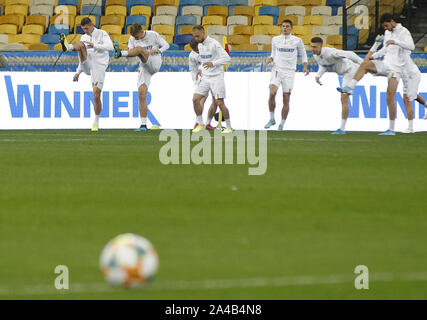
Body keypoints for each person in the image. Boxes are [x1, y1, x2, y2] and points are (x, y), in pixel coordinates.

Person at [338, 14, 415, 135]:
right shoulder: (388, 33)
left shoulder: (404, 32)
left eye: (386, 25)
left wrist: (396, 41)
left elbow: (412, 46)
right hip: (385, 64)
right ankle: (350, 88)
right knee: (365, 64)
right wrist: (373, 56)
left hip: (396, 69)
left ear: (392, 21)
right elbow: (385, 49)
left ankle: (391, 129)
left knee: (389, 98)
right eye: (384, 26)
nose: (385, 28)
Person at [60, 17, 113, 132]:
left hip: (98, 66)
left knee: (96, 95)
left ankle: (96, 121)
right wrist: (78, 72)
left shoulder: (102, 33)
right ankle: (67, 47)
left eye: (87, 28)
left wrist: (95, 45)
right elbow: (81, 57)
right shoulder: (84, 37)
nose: (86, 31)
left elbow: (110, 47)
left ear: (92, 25)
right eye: (84, 29)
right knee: (81, 45)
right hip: (87, 64)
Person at [113, 23, 169, 131]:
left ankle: (120, 53)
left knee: (139, 49)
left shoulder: (152, 34)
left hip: (155, 61)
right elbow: (131, 53)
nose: (135, 38)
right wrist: (128, 53)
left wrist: (159, 50)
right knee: (141, 93)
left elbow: (166, 45)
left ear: (142, 31)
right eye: (134, 37)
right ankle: (143, 125)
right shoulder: (132, 39)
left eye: (137, 36)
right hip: (144, 66)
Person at [310, 37, 364, 134]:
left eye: (315, 47)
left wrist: (362, 63)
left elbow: (349, 54)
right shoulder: (316, 56)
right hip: (345, 75)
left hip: (351, 71)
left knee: (343, 98)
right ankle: (342, 128)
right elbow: (324, 65)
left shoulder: (331, 52)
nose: (312, 49)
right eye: (311, 46)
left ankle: (342, 129)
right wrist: (318, 75)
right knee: (343, 99)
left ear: (321, 46)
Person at [264, 19, 309, 131]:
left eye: (287, 26)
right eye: (283, 26)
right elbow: (273, 53)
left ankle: (282, 124)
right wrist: (270, 59)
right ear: (281, 27)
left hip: (289, 72)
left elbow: (303, 53)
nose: (285, 28)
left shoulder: (297, 40)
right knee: (272, 93)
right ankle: (272, 118)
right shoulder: (275, 39)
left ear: (291, 28)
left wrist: (305, 66)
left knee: (286, 98)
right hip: (277, 70)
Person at [191, 25, 232, 133]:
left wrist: (212, 63)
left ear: (203, 32)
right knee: (195, 99)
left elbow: (227, 58)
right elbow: (204, 60)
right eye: (194, 37)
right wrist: (200, 68)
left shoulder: (214, 44)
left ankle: (229, 126)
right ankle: (200, 124)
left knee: (220, 103)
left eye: (197, 36)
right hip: (205, 77)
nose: (196, 39)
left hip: (216, 77)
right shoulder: (200, 46)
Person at [188, 38, 218, 130]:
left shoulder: (210, 50)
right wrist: (196, 81)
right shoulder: (192, 56)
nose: (197, 52)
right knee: (199, 99)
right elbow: (193, 70)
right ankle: (199, 122)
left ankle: (208, 123)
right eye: (195, 51)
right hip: (202, 79)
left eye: (198, 50)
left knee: (215, 101)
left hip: (214, 77)